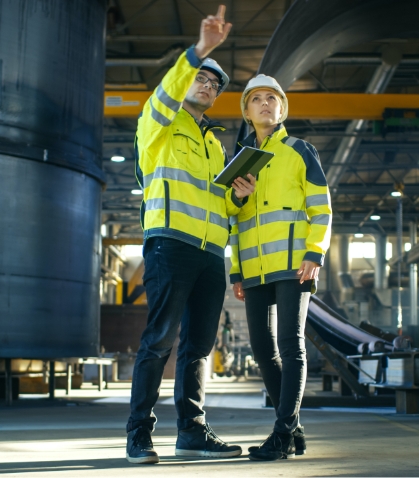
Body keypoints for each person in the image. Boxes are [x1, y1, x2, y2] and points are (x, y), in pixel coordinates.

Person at [127, 5, 255, 465]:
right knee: (159, 340)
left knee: (199, 346)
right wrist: (201, 49)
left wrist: (238, 196)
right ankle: (139, 434)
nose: (209, 85)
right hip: (169, 245)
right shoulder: (157, 124)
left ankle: (192, 431)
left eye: (215, 83)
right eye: (201, 77)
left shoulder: (214, 143)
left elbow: (217, 202)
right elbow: (166, 92)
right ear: (184, 82)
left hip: (208, 255)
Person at [229, 74, 332, 461]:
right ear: (247, 110)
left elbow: (320, 208)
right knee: (261, 349)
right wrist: (237, 271)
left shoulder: (300, 150)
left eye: (273, 98)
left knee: (291, 347)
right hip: (254, 269)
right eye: (257, 99)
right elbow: (235, 219)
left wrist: (315, 253)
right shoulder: (241, 160)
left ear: (282, 108)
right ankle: (294, 427)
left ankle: (282, 433)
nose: (266, 104)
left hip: (293, 264)